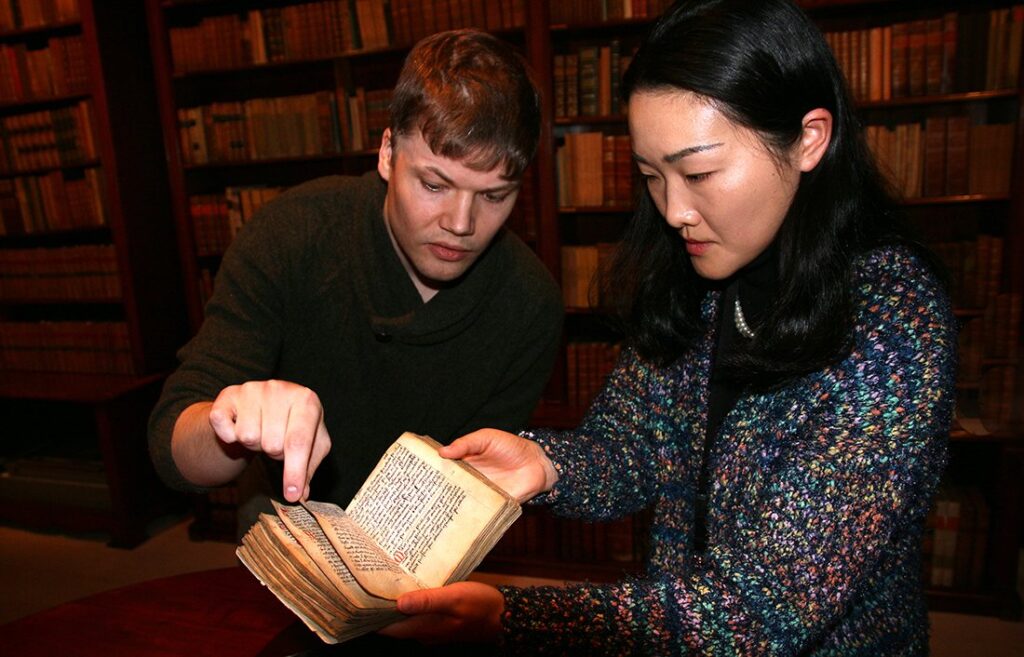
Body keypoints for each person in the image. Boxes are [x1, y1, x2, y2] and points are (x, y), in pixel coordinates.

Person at [380, 1, 957, 654]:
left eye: (699, 172)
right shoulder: (700, 272)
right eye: (653, 176)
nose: (675, 209)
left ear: (809, 139)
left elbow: (762, 608)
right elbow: (632, 445)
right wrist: (546, 463)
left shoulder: (889, 321)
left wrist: (515, 616)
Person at [148, 29, 563, 514]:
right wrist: (231, 423)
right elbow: (171, 448)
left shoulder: (530, 303)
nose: (460, 224)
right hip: (283, 524)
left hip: (424, 543)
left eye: (494, 196)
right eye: (434, 184)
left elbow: (475, 497)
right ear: (387, 153)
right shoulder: (293, 233)